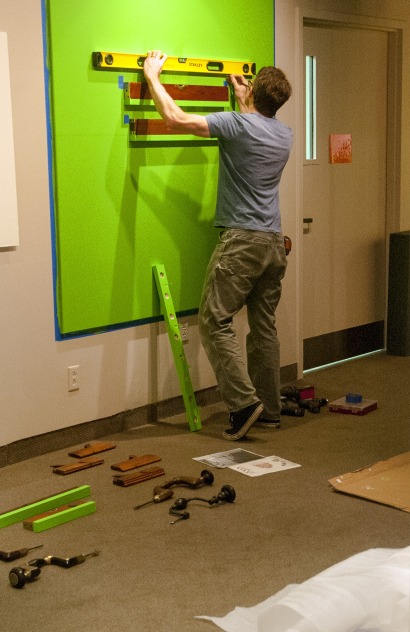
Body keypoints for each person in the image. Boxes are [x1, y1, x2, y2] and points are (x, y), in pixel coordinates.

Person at [142, 51, 293, 441]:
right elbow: (254, 123)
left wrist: (152, 76)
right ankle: (270, 410)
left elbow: (174, 119)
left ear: (253, 92)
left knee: (213, 320)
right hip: (273, 244)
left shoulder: (237, 126)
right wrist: (245, 101)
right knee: (263, 326)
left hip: (242, 241)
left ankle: (243, 405)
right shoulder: (284, 134)